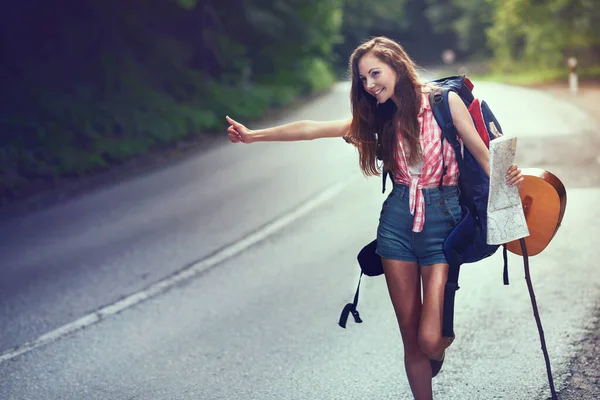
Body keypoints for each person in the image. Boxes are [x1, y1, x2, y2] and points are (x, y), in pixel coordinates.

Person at [225, 36, 523, 400]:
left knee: (430, 340)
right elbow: (312, 128)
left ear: (396, 65)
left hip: (444, 222)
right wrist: (254, 136)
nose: (369, 85)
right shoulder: (379, 118)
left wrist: (510, 181)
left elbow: (481, 152)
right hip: (396, 224)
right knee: (410, 338)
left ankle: (437, 347)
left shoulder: (444, 102)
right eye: (363, 79)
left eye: (375, 73)